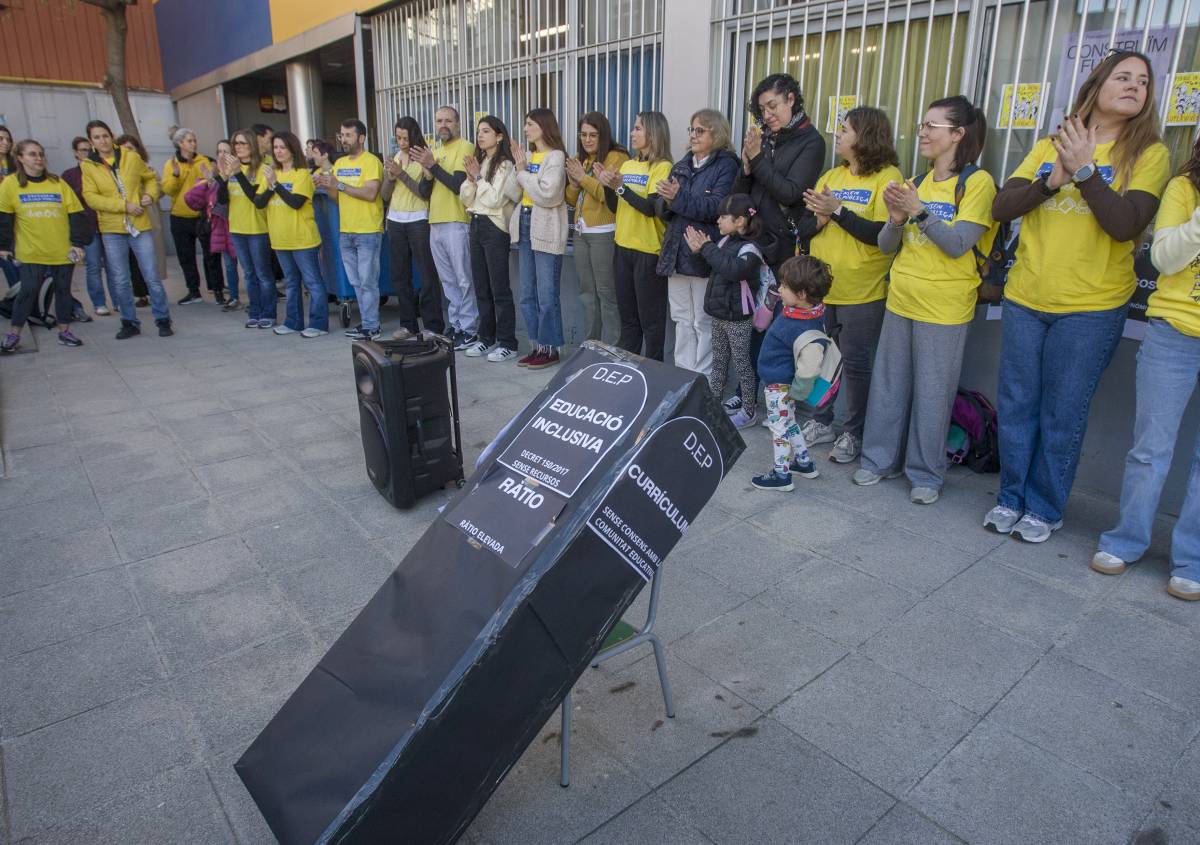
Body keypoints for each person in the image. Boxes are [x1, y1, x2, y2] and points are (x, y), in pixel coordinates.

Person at [985, 50, 1172, 542]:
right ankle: (1010, 498)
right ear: (1096, 85)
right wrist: (1052, 180)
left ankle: (1044, 508)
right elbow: (1002, 206)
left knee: (1062, 412)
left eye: (1144, 82)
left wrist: (1086, 173)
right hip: (1027, 297)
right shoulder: (1053, 142)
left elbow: (1125, 225)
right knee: (1017, 402)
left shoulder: (1149, 153)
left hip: (1091, 308)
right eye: (1124, 77)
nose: (1135, 86)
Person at [853, 95, 994, 505]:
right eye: (923, 125)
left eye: (933, 125)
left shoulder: (977, 182)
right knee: (889, 386)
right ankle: (879, 460)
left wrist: (919, 212)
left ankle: (926, 474)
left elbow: (958, 243)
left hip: (944, 308)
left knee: (933, 393)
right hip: (901, 298)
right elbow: (885, 245)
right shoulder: (917, 179)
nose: (924, 133)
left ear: (958, 134)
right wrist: (896, 220)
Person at [1091, 138, 1200, 601]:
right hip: (1174, 331)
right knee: (1149, 448)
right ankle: (1126, 539)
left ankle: (1192, 559)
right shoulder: (1184, 188)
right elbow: (1164, 258)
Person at [801, 107, 903, 464]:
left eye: (845, 130)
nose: (838, 135)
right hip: (823, 288)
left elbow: (881, 236)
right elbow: (803, 228)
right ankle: (821, 421)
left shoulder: (889, 179)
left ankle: (853, 432)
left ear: (866, 136)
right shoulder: (833, 174)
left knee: (856, 365)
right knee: (821, 359)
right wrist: (819, 218)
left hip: (862, 291)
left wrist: (838, 212)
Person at [657, 109, 739, 374]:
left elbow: (717, 206)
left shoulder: (727, 164)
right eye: (691, 130)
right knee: (681, 318)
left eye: (699, 130)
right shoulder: (682, 163)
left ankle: (703, 378)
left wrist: (677, 199)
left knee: (703, 321)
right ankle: (682, 372)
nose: (693, 135)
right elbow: (663, 208)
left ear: (716, 133)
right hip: (676, 253)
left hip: (703, 253)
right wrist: (667, 201)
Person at [81, 120, 173, 339]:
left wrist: (150, 195)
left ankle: (163, 319)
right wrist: (123, 206)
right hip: (112, 228)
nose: (102, 140)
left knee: (151, 275)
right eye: (97, 137)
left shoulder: (130, 156)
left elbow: (150, 178)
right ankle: (129, 321)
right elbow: (91, 197)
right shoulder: (89, 165)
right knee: (121, 278)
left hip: (139, 225)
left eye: (105, 135)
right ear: (91, 141)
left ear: (111, 136)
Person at [0, 139, 92, 352]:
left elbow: (76, 214)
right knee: (27, 292)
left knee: (63, 291)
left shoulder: (57, 183)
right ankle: (13, 334)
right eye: (32, 154)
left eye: (41, 154)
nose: (39, 158)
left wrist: (78, 243)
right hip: (31, 252)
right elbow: (4, 218)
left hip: (63, 251)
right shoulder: (10, 184)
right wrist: (3, 246)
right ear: (20, 158)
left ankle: (64, 331)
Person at [749, 255, 832, 490]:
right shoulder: (799, 313)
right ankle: (804, 463)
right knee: (789, 422)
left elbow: (809, 368)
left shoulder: (807, 326)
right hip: (781, 385)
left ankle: (781, 474)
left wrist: (795, 393)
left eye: (785, 286)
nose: (780, 288)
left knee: (779, 428)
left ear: (802, 294)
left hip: (781, 387)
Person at [596, 111, 672, 360]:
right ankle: (627, 372)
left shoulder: (663, 167)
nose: (632, 133)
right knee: (628, 319)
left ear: (653, 132)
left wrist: (619, 186)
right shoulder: (627, 164)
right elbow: (616, 206)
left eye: (638, 128)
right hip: (622, 248)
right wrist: (609, 186)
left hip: (648, 252)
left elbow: (651, 208)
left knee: (651, 323)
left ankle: (653, 375)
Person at [734, 73, 826, 271]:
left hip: (784, 245)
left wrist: (757, 158)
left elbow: (790, 193)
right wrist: (746, 170)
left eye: (772, 106)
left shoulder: (812, 142)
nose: (766, 115)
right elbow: (737, 196)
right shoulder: (764, 138)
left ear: (791, 99)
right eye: (762, 109)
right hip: (754, 237)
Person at [689, 193, 764, 428]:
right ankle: (713, 404)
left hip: (738, 318)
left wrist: (707, 248)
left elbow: (734, 270)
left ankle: (749, 410)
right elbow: (713, 266)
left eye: (723, 217)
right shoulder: (723, 242)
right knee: (719, 362)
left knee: (742, 364)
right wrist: (699, 250)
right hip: (720, 314)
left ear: (740, 221)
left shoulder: (750, 248)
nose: (718, 221)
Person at [412, 106, 478, 348]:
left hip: (457, 221)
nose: (443, 125)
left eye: (448, 121)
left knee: (464, 279)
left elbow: (459, 185)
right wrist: (428, 173)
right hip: (435, 222)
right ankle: (457, 325)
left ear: (458, 124)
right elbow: (423, 192)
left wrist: (434, 167)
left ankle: (469, 329)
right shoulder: (435, 151)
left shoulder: (466, 146)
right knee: (447, 281)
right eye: (439, 120)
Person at [314, 119, 384, 341]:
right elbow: (336, 198)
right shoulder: (341, 163)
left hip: (368, 230)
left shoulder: (371, 162)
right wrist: (328, 186)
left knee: (367, 280)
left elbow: (370, 193)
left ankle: (373, 326)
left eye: (348, 135)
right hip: (346, 230)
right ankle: (366, 322)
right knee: (355, 282)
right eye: (342, 135)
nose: (343, 140)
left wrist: (340, 185)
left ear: (361, 138)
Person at [254, 131, 328, 337]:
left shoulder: (301, 174)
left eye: (282, 147)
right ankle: (293, 322)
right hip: (280, 238)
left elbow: (296, 202)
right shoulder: (269, 173)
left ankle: (318, 324)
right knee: (291, 282)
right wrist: (271, 185)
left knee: (312, 281)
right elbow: (258, 202)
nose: (278, 151)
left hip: (302, 238)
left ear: (292, 150)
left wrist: (275, 184)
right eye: (275, 147)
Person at [460, 115, 521, 361]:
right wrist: (472, 177)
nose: (480, 136)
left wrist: (477, 178)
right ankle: (487, 338)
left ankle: (508, 342)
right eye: (478, 132)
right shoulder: (481, 161)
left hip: (495, 227)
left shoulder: (506, 164)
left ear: (499, 136)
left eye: (486, 131)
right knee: (481, 286)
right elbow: (466, 198)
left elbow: (496, 199)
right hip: (475, 223)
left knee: (499, 288)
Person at [565, 112, 628, 345]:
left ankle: (612, 346)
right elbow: (571, 200)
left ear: (603, 135)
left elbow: (606, 195)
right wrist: (573, 184)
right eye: (583, 135)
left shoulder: (617, 157)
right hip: (581, 233)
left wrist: (582, 178)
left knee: (606, 292)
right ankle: (592, 343)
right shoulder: (582, 159)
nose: (587, 140)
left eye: (593, 135)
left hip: (604, 232)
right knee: (586, 293)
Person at [513, 108, 569, 369]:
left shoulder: (555, 156)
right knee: (526, 292)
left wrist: (523, 173)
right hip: (525, 221)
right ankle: (536, 346)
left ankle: (550, 349)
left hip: (545, 226)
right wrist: (519, 168)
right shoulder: (530, 156)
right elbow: (514, 191)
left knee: (546, 294)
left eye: (530, 124)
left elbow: (549, 194)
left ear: (544, 126)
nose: (525, 129)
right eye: (525, 125)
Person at [383, 116, 444, 339]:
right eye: (398, 137)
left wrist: (401, 174)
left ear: (414, 136)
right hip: (396, 220)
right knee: (400, 275)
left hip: (419, 219)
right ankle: (408, 324)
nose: (401, 142)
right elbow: (384, 195)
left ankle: (433, 325)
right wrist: (390, 178)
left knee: (427, 274)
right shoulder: (395, 157)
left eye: (405, 138)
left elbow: (423, 192)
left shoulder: (424, 157)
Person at [218, 129, 275, 328]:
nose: (239, 147)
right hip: (238, 228)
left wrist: (237, 174)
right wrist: (223, 178)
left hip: (258, 229)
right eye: (236, 144)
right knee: (249, 274)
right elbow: (221, 200)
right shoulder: (230, 168)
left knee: (263, 274)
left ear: (251, 145)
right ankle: (255, 311)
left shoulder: (262, 168)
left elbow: (255, 198)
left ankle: (269, 312)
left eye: (243, 143)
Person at [163, 127, 224, 306]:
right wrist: (176, 175)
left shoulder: (202, 160)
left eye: (194, 140)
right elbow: (168, 190)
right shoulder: (171, 164)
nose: (193, 144)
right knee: (186, 256)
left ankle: (217, 289)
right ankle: (193, 291)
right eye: (189, 141)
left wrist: (209, 177)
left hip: (201, 215)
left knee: (211, 255)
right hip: (179, 216)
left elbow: (209, 187)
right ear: (180, 143)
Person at [186, 139, 241, 311]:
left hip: (242, 224)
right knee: (230, 264)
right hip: (222, 227)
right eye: (219, 152)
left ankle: (259, 297)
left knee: (249, 266)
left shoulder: (240, 174)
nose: (222, 155)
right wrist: (208, 183)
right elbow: (193, 200)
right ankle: (233, 297)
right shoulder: (213, 178)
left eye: (226, 151)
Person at [62, 136, 112, 316]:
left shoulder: (103, 169)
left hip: (108, 224)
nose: (87, 153)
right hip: (88, 228)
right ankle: (99, 303)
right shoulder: (69, 175)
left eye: (89, 149)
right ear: (76, 153)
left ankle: (119, 301)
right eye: (83, 150)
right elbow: (69, 202)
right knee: (93, 266)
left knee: (113, 266)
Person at [309, 139, 348, 299]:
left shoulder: (336, 170)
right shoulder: (315, 172)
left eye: (316, 153)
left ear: (325, 155)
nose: (313, 157)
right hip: (324, 222)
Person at [0, 125, 15, 287]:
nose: (5, 143)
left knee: (11, 260)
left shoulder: (15, 164)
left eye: (8, 139)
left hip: (13, 217)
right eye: (1, 139)